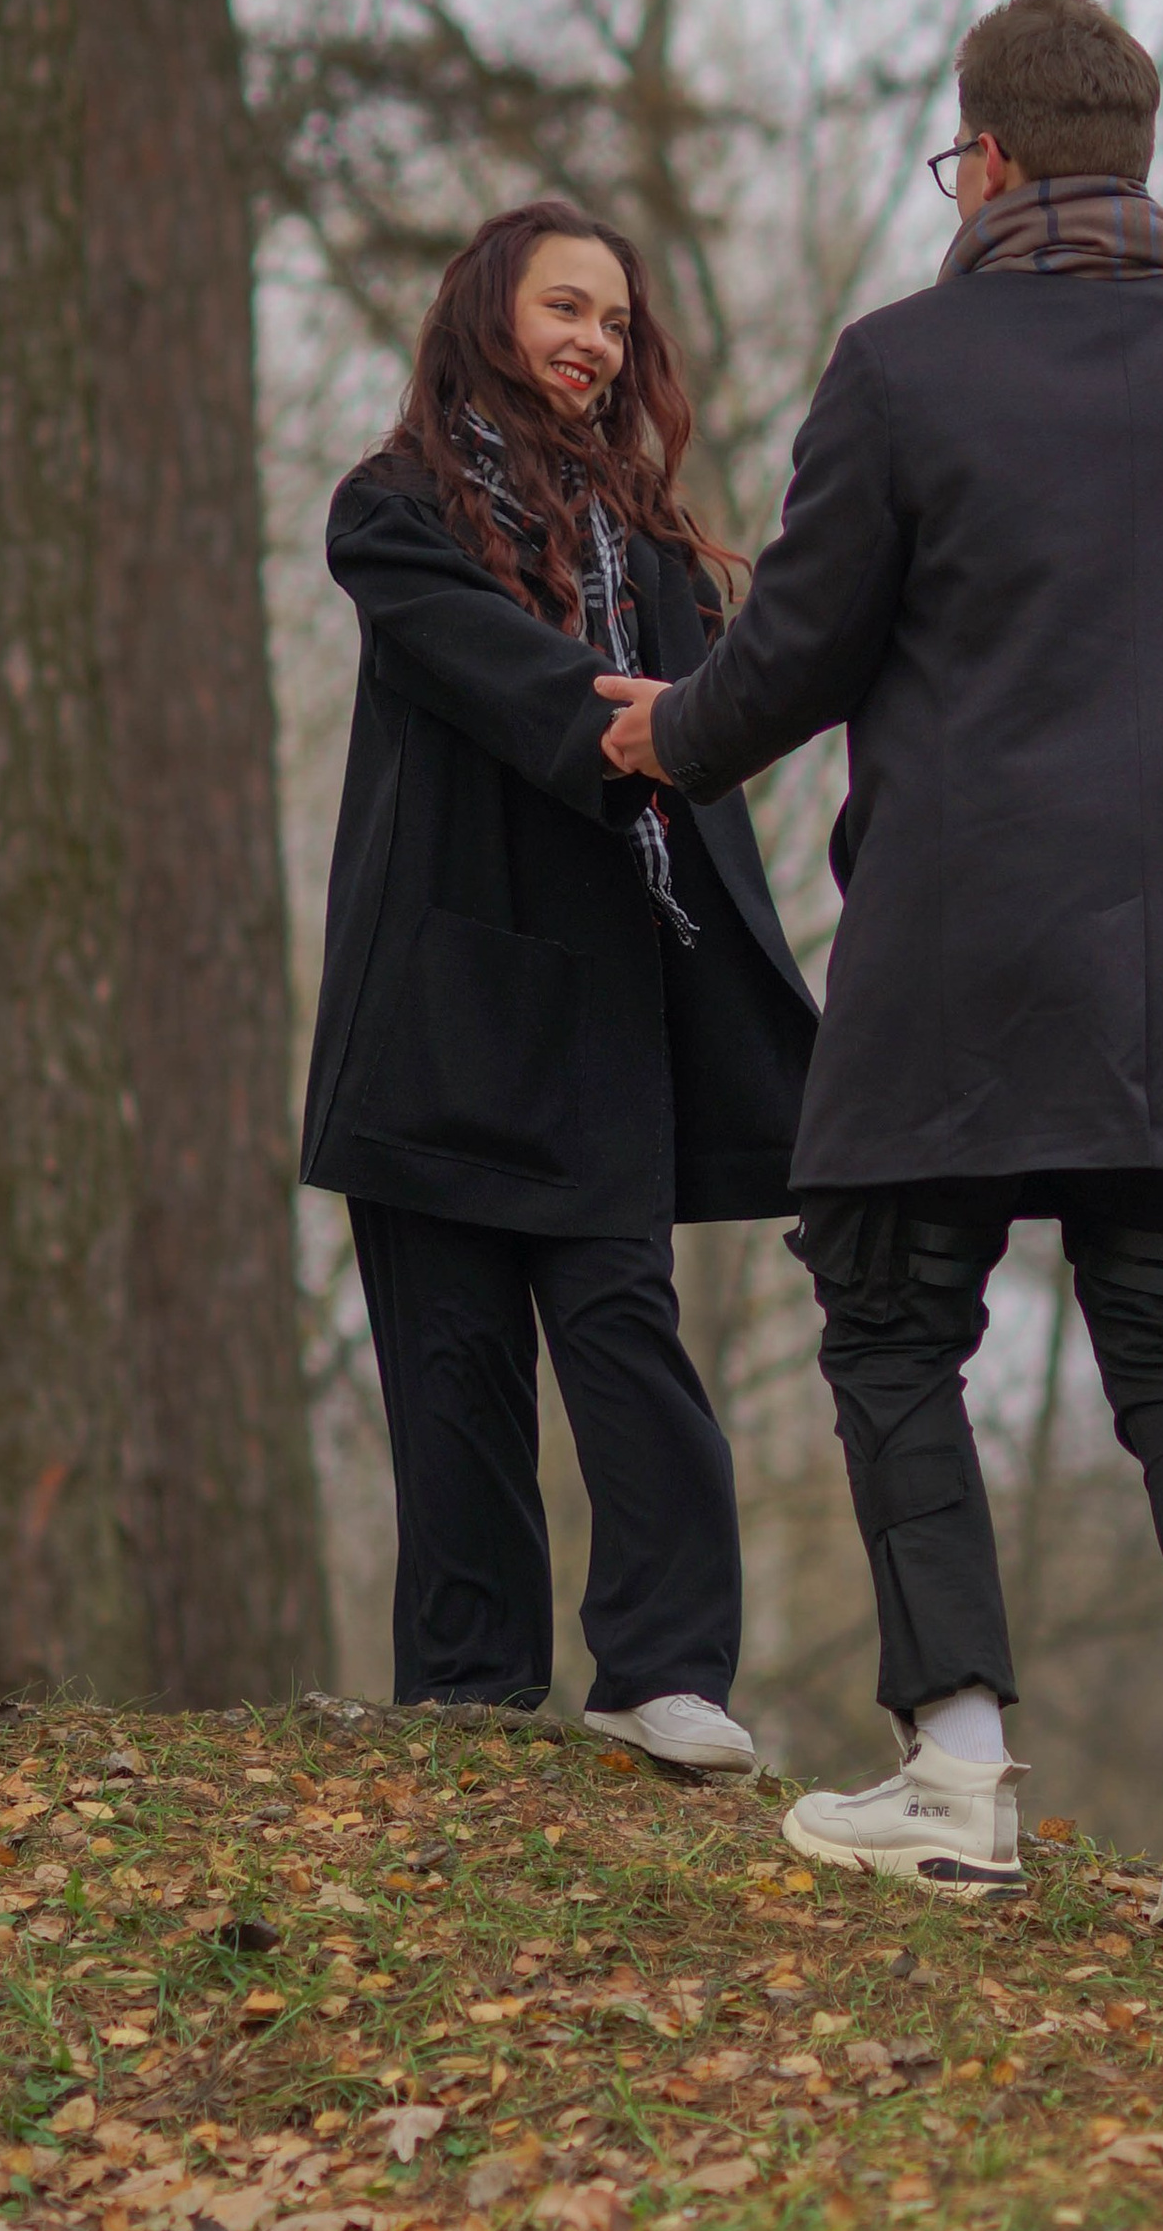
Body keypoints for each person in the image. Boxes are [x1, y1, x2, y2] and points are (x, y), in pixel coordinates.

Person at [597, 0, 1163, 1938]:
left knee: (887, 1315)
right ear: (1138, 158)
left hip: (955, 948)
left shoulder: (905, 370)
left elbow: (802, 652)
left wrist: (659, 732)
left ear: (986, 158)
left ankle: (954, 1766)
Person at [303, 200, 819, 1778]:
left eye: (615, 318)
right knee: (450, 1367)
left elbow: (725, 717)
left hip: (606, 1006)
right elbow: (493, 669)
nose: (593, 341)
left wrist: (705, 715)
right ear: (486, 315)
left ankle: (664, 1671)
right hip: (436, 1008)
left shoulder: (658, 550)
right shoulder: (388, 510)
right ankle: (468, 1696)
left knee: (625, 1331)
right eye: (564, 307)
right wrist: (629, 725)